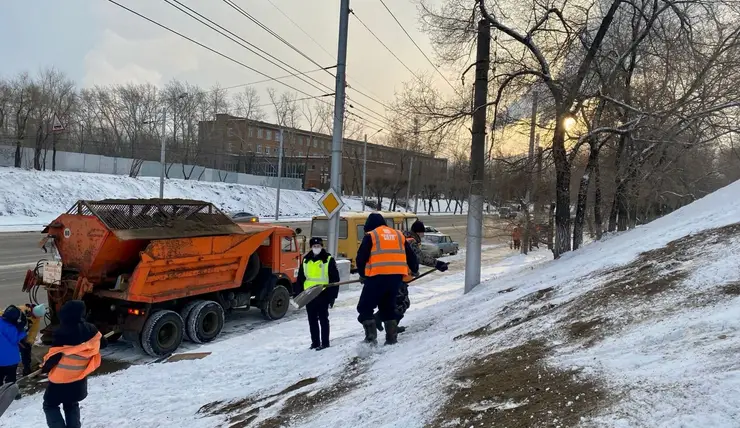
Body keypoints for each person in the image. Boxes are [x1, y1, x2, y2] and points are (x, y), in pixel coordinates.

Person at [42, 300, 108, 428]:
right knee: (71, 404)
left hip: (60, 380)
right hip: (78, 378)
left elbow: (55, 356)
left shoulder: (61, 332)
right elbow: (104, 344)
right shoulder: (91, 328)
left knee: (50, 405)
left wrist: (45, 368)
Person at [375, 220, 449, 334]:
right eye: (422, 233)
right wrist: (437, 263)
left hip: (390, 273)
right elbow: (419, 257)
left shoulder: (402, 237)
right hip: (398, 275)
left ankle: (390, 324)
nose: (423, 236)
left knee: (394, 301)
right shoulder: (411, 241)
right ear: (418, 232)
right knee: (402, 303)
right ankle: (386, 323)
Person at [355, 212, 419, 345]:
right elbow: (411, 255)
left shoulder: (371, 235)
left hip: (377, 276)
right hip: (396, 278)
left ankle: (371, 338)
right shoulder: (398, 235)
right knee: (388, 307)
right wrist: (415, 269)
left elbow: (360, 258)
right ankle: (391, 339)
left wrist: (363, 275)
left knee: (365, 307)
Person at [296, 237, 340, 350]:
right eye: (314, 246)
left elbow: (334, 279)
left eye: (319, 246)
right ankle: (315, 342)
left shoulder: (328, 259)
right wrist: (299, 294)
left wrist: (332, 296)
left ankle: (325, 343)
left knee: (323, 319)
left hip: (323, 293)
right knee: (312, 320)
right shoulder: (306, 260)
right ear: (311, 247)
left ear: (322, 246)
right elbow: (301, 278)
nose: (317, 248)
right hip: (309, 294)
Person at [0, 303, 46, 375]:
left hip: (21, 333)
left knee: (26, 349)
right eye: (34, 316)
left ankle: (26, 368)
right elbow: (4, 315)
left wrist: (29, 342)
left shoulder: (36, 318)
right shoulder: (19, 310)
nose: (35, 318)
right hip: (11, 332)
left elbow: (33, 331)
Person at [0, 305, 27, 397]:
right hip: (10, 359)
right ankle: (12, 394)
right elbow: (15, 340)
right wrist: (22, 331)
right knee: (11, 378)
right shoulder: (11, 328)